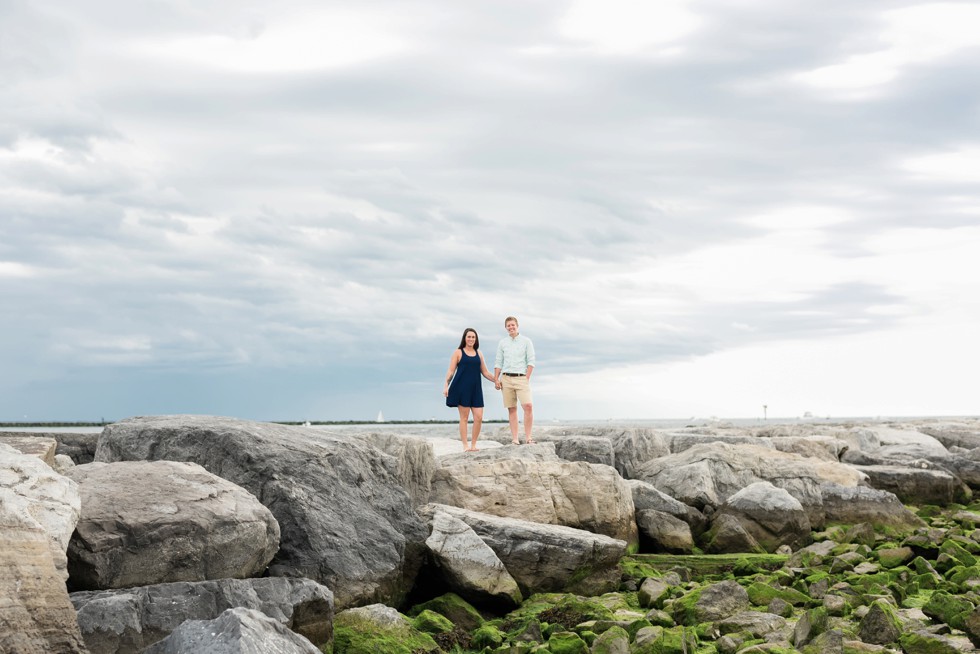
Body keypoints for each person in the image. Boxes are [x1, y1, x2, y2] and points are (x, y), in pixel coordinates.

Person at [443, 328, 496, 451]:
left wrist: (497, 381)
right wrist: (446, 385)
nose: (471, 339)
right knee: (464, 418)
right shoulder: (458, 352)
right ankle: (465, 445)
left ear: (476, 339)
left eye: (473, 337)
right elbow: (451, 371)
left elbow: (485, 372)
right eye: (469, 337)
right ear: (464, 338)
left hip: (476, 389)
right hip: (462, 388)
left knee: (478, 417)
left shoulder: (479, 353)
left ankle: (473, 445)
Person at [493, 316, 535, 445]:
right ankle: (515, 439)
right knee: (512, 408)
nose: (511, 327)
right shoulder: (502, 343)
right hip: (506, 378)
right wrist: (496, 379)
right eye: (508, 326)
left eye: (513, 325)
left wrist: (526, 378)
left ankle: (528, 438)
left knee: (528, 406)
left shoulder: (526, 341)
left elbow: (531, 361)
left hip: (521, 377)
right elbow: (498, 362)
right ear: (506, 328)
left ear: (517, 326)